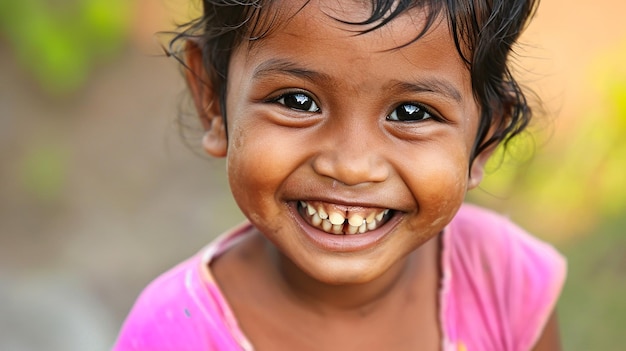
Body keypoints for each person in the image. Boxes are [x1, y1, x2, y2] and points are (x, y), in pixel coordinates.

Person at [113, 0, 566, 350]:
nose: (350, 167)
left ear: (485, 135)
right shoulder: (171, 333)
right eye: (297, 101)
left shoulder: (503, 278)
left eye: (411, 112)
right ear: (213, 98)